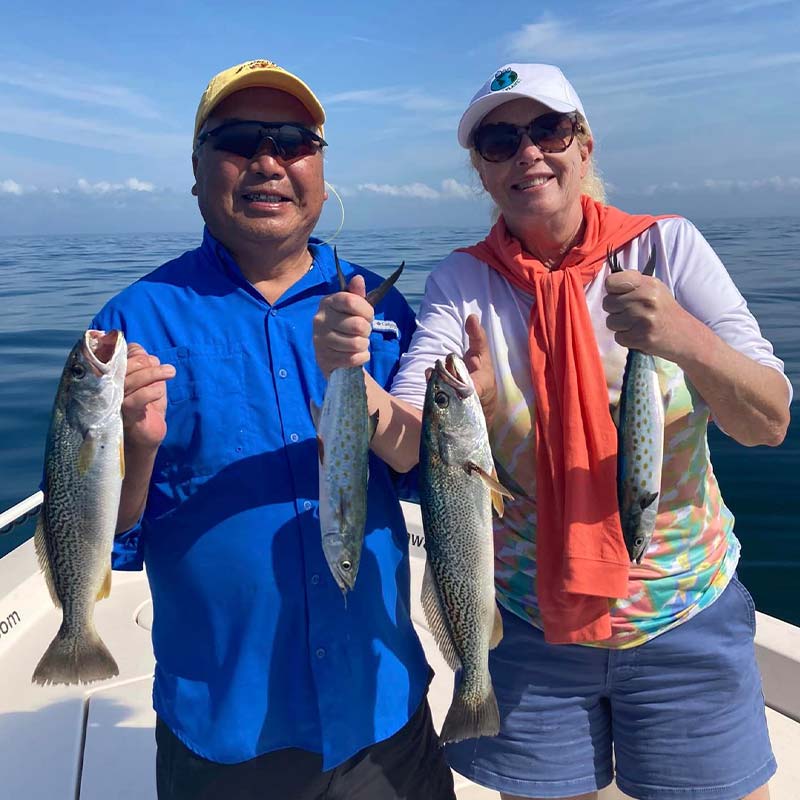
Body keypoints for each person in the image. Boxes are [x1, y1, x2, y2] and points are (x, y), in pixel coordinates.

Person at [314, 63, 791, 800]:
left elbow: (767, 421)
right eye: (500, 142)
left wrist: (685, 338)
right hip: (528, 625)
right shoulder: (461, 284)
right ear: (481, 172)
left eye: (549, 129)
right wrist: (353, 378)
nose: (528, 152)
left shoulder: (667, 249)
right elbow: (408, 444)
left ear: (584, 144)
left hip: (682, 614)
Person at [91, 59, 456, 800]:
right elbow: (102, 535)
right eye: (238, 140)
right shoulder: (130, 323)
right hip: (227, 730)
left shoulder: (380, 308)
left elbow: (426, 473)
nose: (268, 162)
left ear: (320, 167)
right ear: (196, 170)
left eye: (293, 142)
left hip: (383, 705)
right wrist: (136, 451)